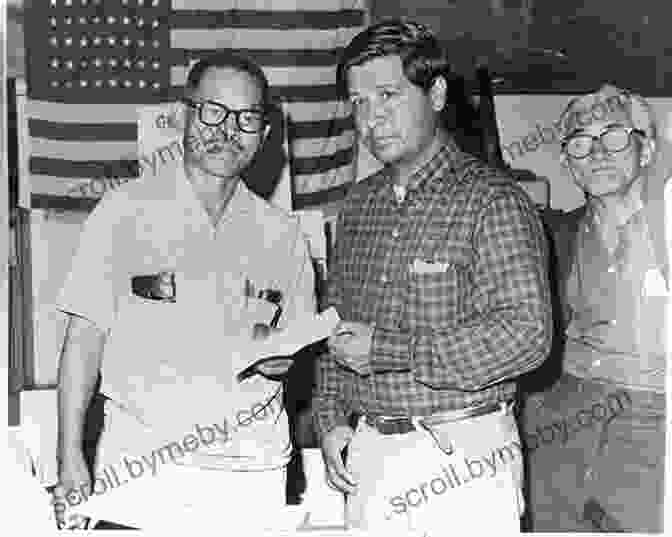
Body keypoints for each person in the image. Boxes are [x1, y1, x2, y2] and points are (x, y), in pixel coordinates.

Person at [53, 52, 315, 531]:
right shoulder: (122, 212)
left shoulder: (284, 235)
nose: (227, 130)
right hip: (141, 476)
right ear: (182, 115)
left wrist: (279, 358)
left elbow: (293, 349)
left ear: (266, 133)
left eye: (247, 118)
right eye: (212, 111)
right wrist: (69, 456)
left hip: (251, 479)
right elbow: (83, 342)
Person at [311, 19, 553, 534]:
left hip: (463, 458)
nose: (372, 118)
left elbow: (527, 337)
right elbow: (337, 325)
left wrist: (390, 350)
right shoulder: (358, 206)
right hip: (370, 455)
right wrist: (331, 417)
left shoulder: (493, 200)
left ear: (436, 93)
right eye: (358, 102)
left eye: (388, 95)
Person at [521, 85, 669, 532]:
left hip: (652, 416)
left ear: (647, 151)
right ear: (566, 162)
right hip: (562, 415)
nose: (599, 153)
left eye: (616, 137)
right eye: (581, 142)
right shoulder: (548, 236)